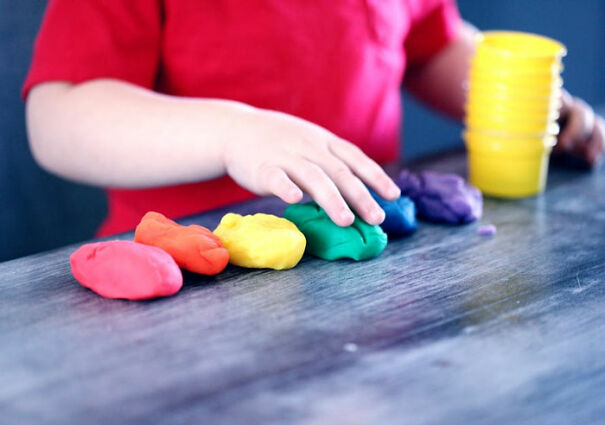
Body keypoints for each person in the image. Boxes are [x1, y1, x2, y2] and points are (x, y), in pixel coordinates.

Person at [23, 1, 604, 236]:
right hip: (188, 275)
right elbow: (60, 116)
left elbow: (430, 46)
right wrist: (234, 133)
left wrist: (528, 107)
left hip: (369, 258)